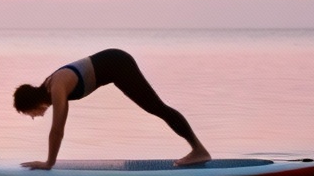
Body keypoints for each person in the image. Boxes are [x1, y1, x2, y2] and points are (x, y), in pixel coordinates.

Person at [13, 48, 211, 169]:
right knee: (157, 108)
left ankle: (199, 150)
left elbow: (57, 130)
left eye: (27, 113)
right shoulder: (50, 87)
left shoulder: (56, 88)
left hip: (119, 64)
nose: (32, 117)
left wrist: (49, 163)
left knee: (157, 108)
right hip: (116, 65)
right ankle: (198, 149)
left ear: (31, 104)